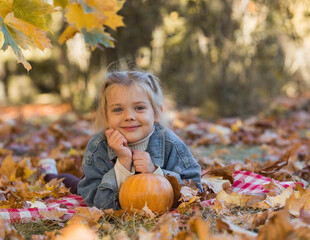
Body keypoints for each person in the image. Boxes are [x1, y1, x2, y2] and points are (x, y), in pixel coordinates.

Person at [40, 69, 203, 210]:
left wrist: (155, 171)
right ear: (105, 116)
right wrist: (123, 163)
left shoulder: (169, 142)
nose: (129, 117)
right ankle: (48, 173)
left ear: (157, 113)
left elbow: (195, 188)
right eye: (118, 109)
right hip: (92, 185)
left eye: (139, 108)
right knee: (74, 184)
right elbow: (99, 205)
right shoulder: (99, 146)